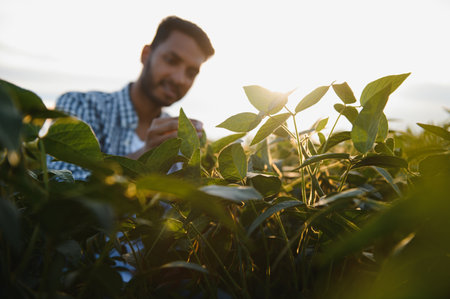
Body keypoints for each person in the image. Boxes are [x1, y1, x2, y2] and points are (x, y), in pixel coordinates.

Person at [47, 16, 215, 180]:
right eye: (171, 60)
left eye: (191, 73)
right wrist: (145, 158)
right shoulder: (82, 106)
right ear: (146, 55)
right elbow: (62, 187)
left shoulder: (178, 138)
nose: (179, 78)